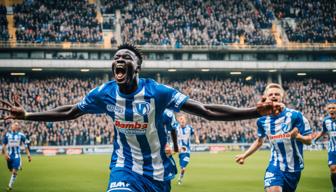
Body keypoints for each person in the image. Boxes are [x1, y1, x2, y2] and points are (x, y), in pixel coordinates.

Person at [0, 43, 280, 192]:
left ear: (137, 67)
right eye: (116, 56)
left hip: (159, 175)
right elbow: (71, 111)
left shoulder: (158, 92)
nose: (119, 59)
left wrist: (255, 111)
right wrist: (28, 115)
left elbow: (206, 110)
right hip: (124, 169)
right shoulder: (104, 92)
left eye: (126, 57)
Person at [235, 83, 313, 192]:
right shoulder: (262, 120)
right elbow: (259, 141)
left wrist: (298, 137)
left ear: (282, 96)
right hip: (275, 164)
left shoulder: (296, 116)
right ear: (266, 97)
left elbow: (309, 140)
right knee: (274, 190)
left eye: (276, 94)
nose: (273, 96)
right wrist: (244, 155)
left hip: (294, 168)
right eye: (270, 94)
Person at [313, 100, 336, 191]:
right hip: (332, 148)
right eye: (329, 108)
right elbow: (323, 132)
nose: (331, 110)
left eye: (333, 108)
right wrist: (315, 139)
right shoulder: (326, 120)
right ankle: (335, 187)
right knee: (333, 169)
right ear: (327, 109)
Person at [2, 121, 32, 191]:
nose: (15, 126)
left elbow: (26, 145)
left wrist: (28, 155)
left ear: (18, 127)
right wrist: (5, 154)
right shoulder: (7, 135)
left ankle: (10, 186)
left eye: (17, 125)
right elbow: (3, 145)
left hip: (16, 155)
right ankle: (18, 165)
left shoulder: (21, 135)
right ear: (11, 126)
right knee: (10, 169)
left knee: (14, 171)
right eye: (14, 125)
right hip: (9, 156)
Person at [176, 113, 199, 185]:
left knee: (183, 168)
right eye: (181, 119)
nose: (182, 120)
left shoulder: (189, 128)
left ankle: (180, 177)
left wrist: (197, 139)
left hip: (186, 151)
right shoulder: (176, 128)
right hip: (179, 151)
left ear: (185, 121)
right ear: (179, 120)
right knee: (180, 165)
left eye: (183, 119)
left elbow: (195, 132)